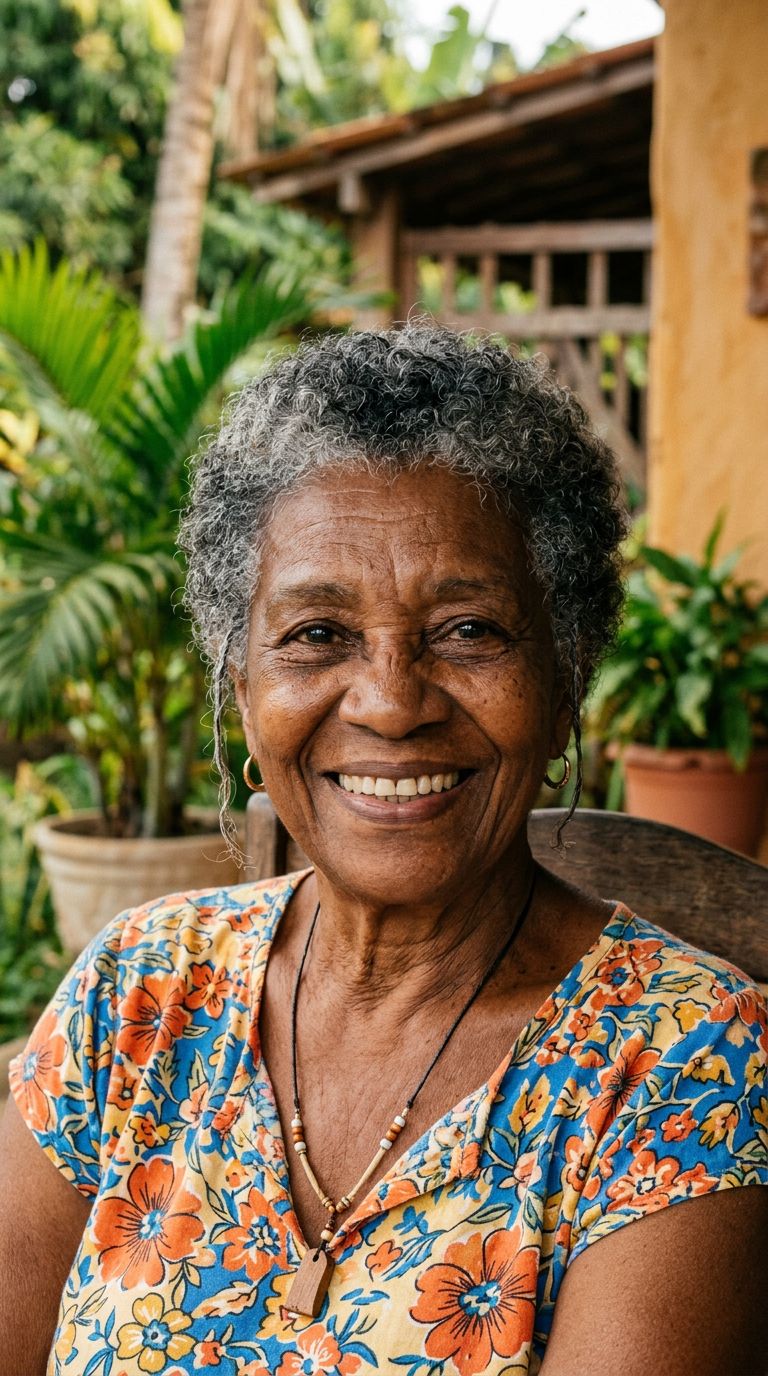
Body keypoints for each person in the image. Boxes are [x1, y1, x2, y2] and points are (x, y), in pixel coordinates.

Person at [1, 325, 766, 1376]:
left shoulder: (684, 1061)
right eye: (318, 634)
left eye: (470, 630)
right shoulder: (139, 992)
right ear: (243, 689)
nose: (392, 703)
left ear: (566, 679)